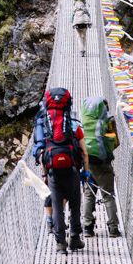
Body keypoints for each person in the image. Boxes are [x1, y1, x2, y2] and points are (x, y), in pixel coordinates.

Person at [33, 88, 90, 255]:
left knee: (57, 206)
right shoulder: (73, 124)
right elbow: (85, 153)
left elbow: (43, 151)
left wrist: (45, 174)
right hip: (72, 171)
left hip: (53, 172)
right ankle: (74, 238)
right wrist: (85, 173)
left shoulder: (44, 124)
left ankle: (60, 244)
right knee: (75, 204)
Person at [82, 97, 121, 238]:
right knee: (108, 194)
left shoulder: (84, 121)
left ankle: (87, 227)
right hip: (103, 163)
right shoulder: (108, 121)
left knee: (88, 194)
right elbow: (116, 142)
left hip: (88, 163)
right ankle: (113, 229)